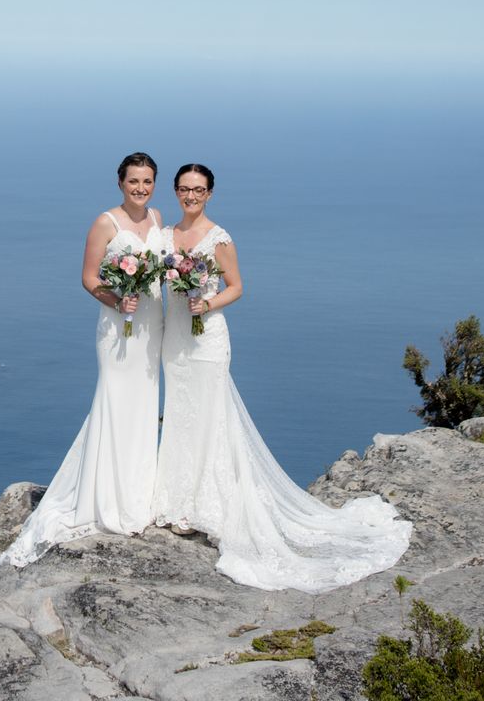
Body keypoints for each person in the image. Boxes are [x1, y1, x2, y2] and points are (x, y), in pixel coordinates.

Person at [152, 163, 411, 593]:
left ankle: (208, 505)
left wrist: (209, 303)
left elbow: (237, 286)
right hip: (175, 337)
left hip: (207, 338)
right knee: (181, 413)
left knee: (213, 414)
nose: (190, 196)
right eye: (183, 189)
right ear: (176, 192)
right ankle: (176, 501)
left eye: (198, 190)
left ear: (210, 193)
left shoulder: (220, 239)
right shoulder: (166, 238)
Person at [1, 152, 170, 566]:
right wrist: (116, 299)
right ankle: (107, 500)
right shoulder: (105, 223)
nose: (141, 188)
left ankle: (137, 495)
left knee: (145, 406)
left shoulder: (157, 219)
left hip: (150, 323)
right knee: (114, 402)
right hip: (117, 327)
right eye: (134, 181)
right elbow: (89, 278)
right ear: (120, 183)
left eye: (147, 182)